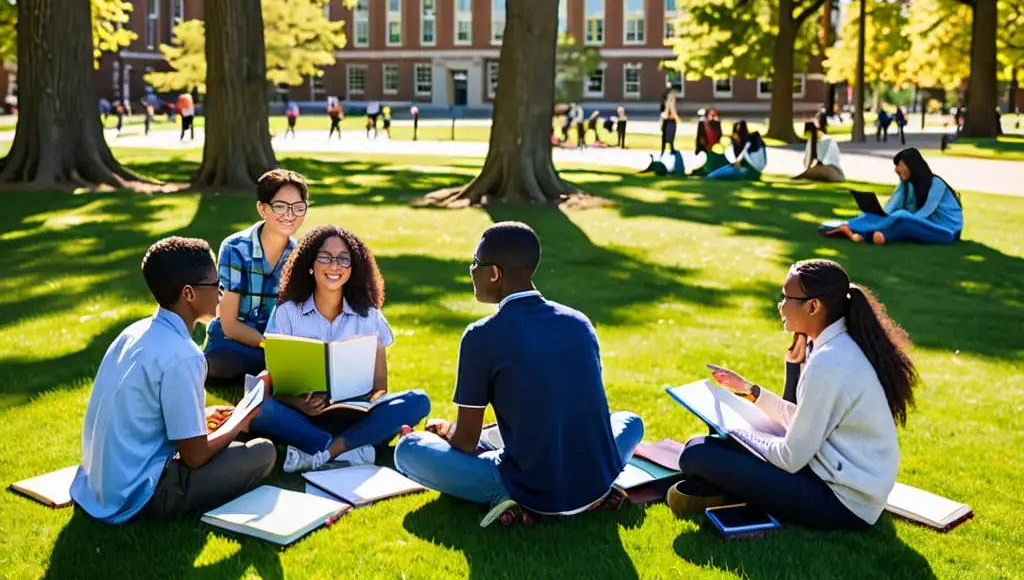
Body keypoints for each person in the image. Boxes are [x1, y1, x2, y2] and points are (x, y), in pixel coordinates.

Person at [394, 222, 644, 526]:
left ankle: (508, 499)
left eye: (475, 263)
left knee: (408, 451)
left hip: (533, 489)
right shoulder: (579, 322)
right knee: (631, 421)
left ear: (495, 273)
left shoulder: (481, 336)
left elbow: (465, 442)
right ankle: (594, 497)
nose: (471, 270)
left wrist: (446, 433)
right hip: (594, 481)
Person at [670, 259, 917, 530]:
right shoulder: (837, 346)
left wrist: (742, 435)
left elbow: (791, 458)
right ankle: (723, 490)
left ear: (813, 306)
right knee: (705, 447)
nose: (780, 305)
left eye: (786, 297)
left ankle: (720, 492)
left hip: (840, 502)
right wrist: (751, 391)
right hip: (837, 481)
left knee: (697, 454)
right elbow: (805, 421)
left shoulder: (829, 362)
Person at [70, 238, 275, 523]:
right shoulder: (184, 356)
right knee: (263, 453)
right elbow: (195, 457)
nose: (221, 292)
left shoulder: (134, 333)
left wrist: (202, 416)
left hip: (99, 486)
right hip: (141, 497)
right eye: (216, 284)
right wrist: (238, 421)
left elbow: (143, 412)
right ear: (189, 293)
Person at [251, 225, 431, 473]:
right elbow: (275, 384)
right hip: (303, 415)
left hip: (354, 416)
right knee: (262, 409)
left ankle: (322, 452)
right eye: (325, 257)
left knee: (418, 401)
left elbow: (381, 387)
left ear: (352, 268)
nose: (334, 266)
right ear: (311, 264)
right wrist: (300, 403)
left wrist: (366, 402)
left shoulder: (369, 315)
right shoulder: (287, 314)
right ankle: (351, 449)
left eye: (343, 259)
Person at [204, 169, 309, 380]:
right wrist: (269, 347)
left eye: (298, 207)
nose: (290, 215)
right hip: (233, 341)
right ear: (262, 209)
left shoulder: (300, 256)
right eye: (280, 206)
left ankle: (273, 372)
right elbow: (229, 324)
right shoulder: (235, 248)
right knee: (221, 357)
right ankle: (273, 372)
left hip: (277, 343)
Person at [824, 148, 963, 245]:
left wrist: (894, 217)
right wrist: (876, 215)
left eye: (898, 165)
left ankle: (866, 234)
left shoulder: (936, 184)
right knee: (895, 217)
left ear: (911, 165)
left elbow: (924, 214)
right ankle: (853, 228)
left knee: (904, 222)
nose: (895, 169)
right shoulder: (906, 184)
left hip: (947, 232)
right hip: (921, 224)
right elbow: (891, 209)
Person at [660, 90, 679, 156]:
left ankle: (670, 149)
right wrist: (677, 119)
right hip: (669, 122)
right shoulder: (668, 103)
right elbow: (667, 113)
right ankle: (665, 150)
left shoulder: (667, 103)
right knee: (667, 136)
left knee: (669, 136)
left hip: (668, 122)